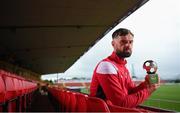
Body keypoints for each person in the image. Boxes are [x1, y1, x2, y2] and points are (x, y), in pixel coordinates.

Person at [90, 28, 160, 108]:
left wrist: (146, 84)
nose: (128, 45)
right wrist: (149, 90)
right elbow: (121, 104)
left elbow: (130, 91)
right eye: (123, 42)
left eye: (131, 42)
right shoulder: (106, 66)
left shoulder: (123, 66)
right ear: (113, 44)